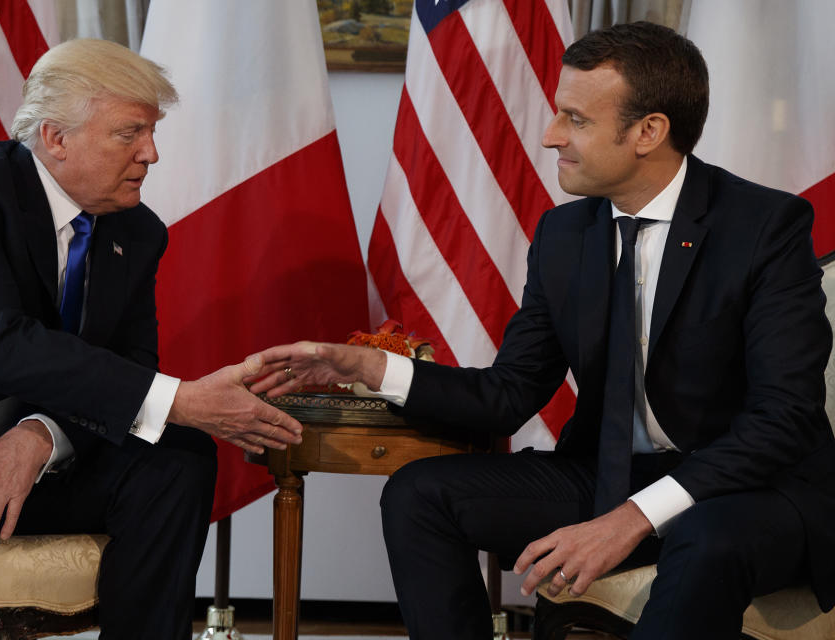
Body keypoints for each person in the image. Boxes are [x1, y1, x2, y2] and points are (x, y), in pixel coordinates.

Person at [250, 21, 835, 639]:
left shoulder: (764, 226)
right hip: (612, 473)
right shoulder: (564, 235)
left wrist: (634, 517)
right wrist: (370, 368)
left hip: (755, 490)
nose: (552, 136)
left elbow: (783, 418)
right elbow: (508, 393)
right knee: (420, 494)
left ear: (649, 132)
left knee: (704, 536)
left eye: (576, 119)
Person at [0, 39, 302, 639]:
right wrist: (183, 400)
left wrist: (38, 438)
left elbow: (129, 361)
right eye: (129, 133)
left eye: (152, 133)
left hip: (35, 465)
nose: (151, 154)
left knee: (177, 457)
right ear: (55, 138)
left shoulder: (139, 231)